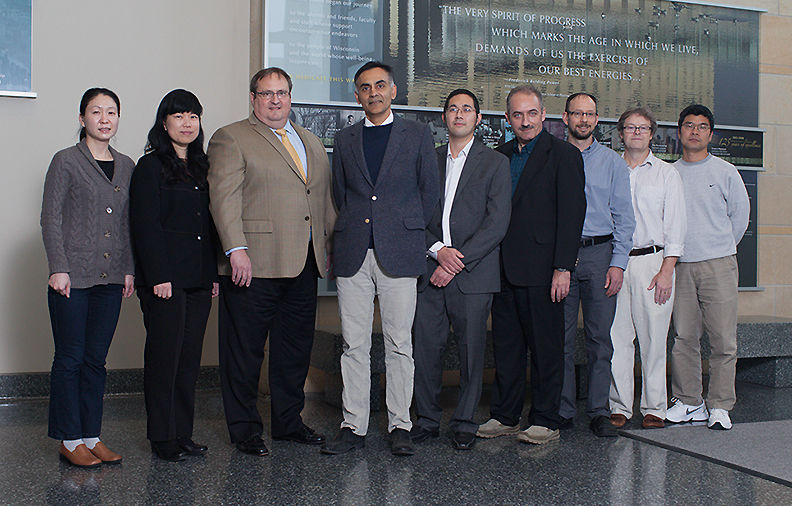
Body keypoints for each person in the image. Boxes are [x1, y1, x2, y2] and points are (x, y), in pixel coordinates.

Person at [207, 68, 336, 456]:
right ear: (253, 98)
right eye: (266, 94)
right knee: (244, 351)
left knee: (294, 351)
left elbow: (322, 200)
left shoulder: (310, 141)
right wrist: (235, 250)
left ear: (291, 96)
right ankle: (245, 428)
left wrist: (327, 246)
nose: (275, 100)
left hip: (304, 264)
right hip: (253, 264)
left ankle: (288, 422)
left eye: (282, 93)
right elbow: (223, 198)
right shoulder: (232, 137)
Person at [321, 61, 439, 456]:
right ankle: (353, 425)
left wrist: (402, 229)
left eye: (380, 85)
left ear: (393, 91)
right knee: (354, 344)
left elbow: (429, 194)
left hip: (400, 251)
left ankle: (399, 425)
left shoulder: (418, 134)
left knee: (399, 343)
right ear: (357, 95)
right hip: (354, 249)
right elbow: (341, 195)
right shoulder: (345, 137)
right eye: (365, 87)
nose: (373, 92)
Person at [476, 84, 586, 445]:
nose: (525, 121)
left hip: (544, 271)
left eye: (532, 113)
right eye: (518, 115)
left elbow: (572, 216)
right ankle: (505, 415)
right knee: (506, 348)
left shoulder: (564, 155)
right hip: (503, 268)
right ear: (508, 119)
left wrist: (563, 267)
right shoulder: (499, 155)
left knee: (546, 349)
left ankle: (545, 419)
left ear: (544, 115)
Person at [411, 89, 511, 451]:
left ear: (478, 118)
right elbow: (413, 215)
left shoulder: (496, 163)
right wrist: (438, 252)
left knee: (472, 350)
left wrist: (456, 261)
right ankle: (425, 419)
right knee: (425, 349)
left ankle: (465, 420)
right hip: (429, 269)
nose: (459, 114)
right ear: (443, 118)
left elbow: (497, 224)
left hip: (473, 275)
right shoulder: (428, 159)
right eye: (452, 108)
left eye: (466, 109)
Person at [41, 88, 135, 467]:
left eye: (111, 112)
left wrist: (128, 268)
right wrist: (58, 267)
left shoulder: (127, 164)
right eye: (96, 112)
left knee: (96, 360)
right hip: (72, 276)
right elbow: (51, 218)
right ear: (82, 119)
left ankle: (91, 436)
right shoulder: (65, 160)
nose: (104, 118)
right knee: (70, 358)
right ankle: (69, 439)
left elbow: (129, 223)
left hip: (111, 277)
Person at [130, 89, 220, 461]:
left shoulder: (202, 167)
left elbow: (210, 224)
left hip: (198, 277)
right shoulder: (149, 167)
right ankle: (162, 437)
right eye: (179, 116)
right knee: (164, 360)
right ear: (164, 122)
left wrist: (213, 273)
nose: (187, 123)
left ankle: (183, 434)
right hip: (165, 280)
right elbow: (145, 225)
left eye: (193, 116)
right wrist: (158, 275)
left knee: (188, 361)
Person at [667, 104, 750, 430]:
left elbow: (740, 217)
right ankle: (689, 401)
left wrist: (720, 247)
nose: (695, 131)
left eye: (702, 127)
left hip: (719, 265)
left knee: (723, 340)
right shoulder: (670, 173)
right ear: (679, 132)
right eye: (689, 125)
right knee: (684, 337)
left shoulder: (726, 172)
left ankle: (719, 405)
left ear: (710, 134)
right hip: (682, 266)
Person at [559, 93, 635, 437]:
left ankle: (599, 410)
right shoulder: (552, 156)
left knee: (600, 339)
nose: (584, 120)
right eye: (578, 114)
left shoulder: (612, 162)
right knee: (557, 339)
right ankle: (561, 410)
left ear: (596, 119)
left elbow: (625, 218)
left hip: (599, 256)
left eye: (589, 114)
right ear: (565, 118)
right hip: (559, 259)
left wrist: (617, 264)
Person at [608, 107, 686, 430]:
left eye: (643, 128)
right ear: (621, 133)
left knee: (655, 337)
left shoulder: (667, 174)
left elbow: (677, 225)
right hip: (615, 262)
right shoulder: (611, 169)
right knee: (617, 337)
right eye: (630, 128)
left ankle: (655, 406)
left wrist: (667, 269)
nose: (636, 133)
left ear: (652, 133)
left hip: (655, 262)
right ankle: (619, 406)